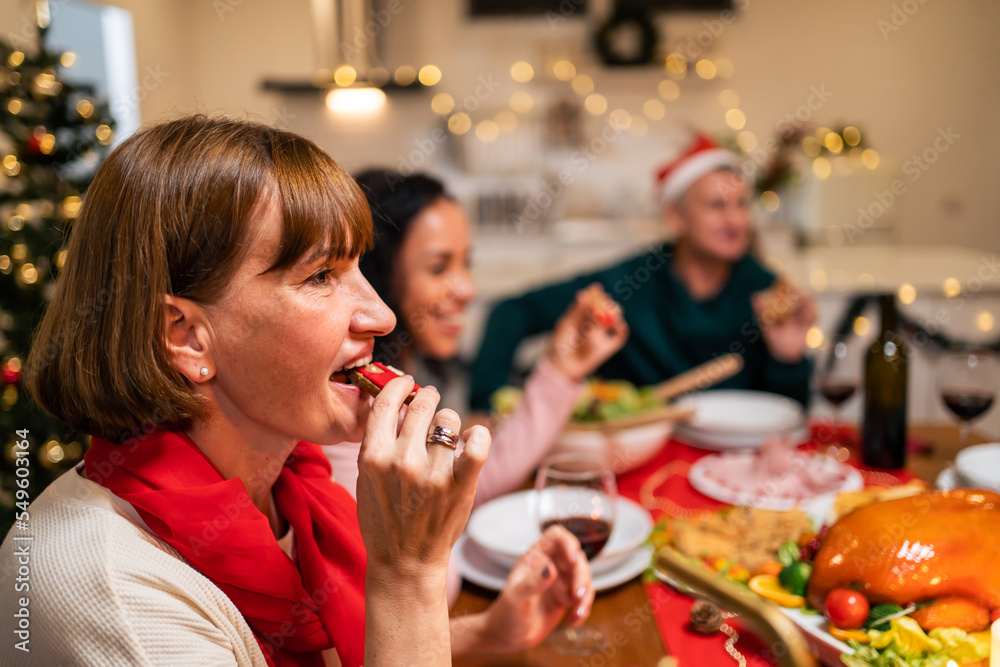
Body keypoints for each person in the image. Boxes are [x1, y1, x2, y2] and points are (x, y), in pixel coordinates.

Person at [0, 116, 594, 667]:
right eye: (320, 277)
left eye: (360, 268)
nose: (382, 316)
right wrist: (409, 572)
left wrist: (487, 634)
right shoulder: (116, 593)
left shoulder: (295, 486)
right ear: (185, 337)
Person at [323, 170, 629, 511]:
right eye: (439, 268)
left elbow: (456, 489)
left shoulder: (400, 374)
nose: (468, 290)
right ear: (374, 274)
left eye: (465, 264)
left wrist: (564, 364)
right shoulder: (349, 403)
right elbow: (429, 514)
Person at [470, 133, 817, 412]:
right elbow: (511, 311)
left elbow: (789, 417)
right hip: (638, 454)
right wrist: (484, 405)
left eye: (742, 205)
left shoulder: (765, 292)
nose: (736, 220)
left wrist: (788, 359)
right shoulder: (630, 282)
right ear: (675, 216)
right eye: (717, 206)